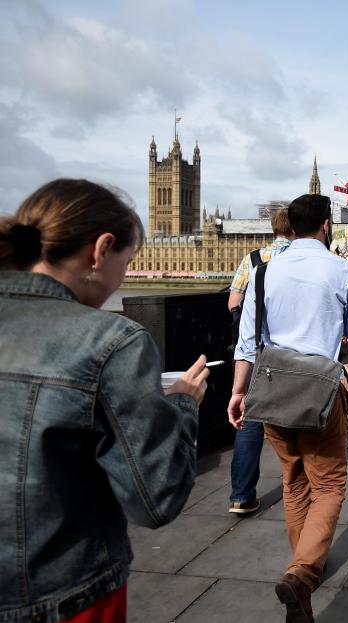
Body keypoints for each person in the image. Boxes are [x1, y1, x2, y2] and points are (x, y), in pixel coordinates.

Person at [0, 179, 208, 622]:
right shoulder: (111, 342)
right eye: (126, 262)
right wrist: (185, 406)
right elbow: (156, 499)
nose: (125, 277)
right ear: (100, 250)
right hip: (66, 597)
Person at [229, 193, 348, 622]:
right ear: (327, 225)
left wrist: (238, 392)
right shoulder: (344, 270)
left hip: (271, 391)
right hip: (321, 392)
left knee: (293, 484)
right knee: (328, 486)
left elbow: (248, 343)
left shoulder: (263, 271)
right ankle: (302, 574)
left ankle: (301, 573)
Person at [224, 207, 293, 516]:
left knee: (250, 422)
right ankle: (298, 487)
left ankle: (241, 495)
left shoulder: (254, 258)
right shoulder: (305, 259)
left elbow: (233, 302)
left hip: (258, 350)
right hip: (294, 352)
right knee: (296, 418)